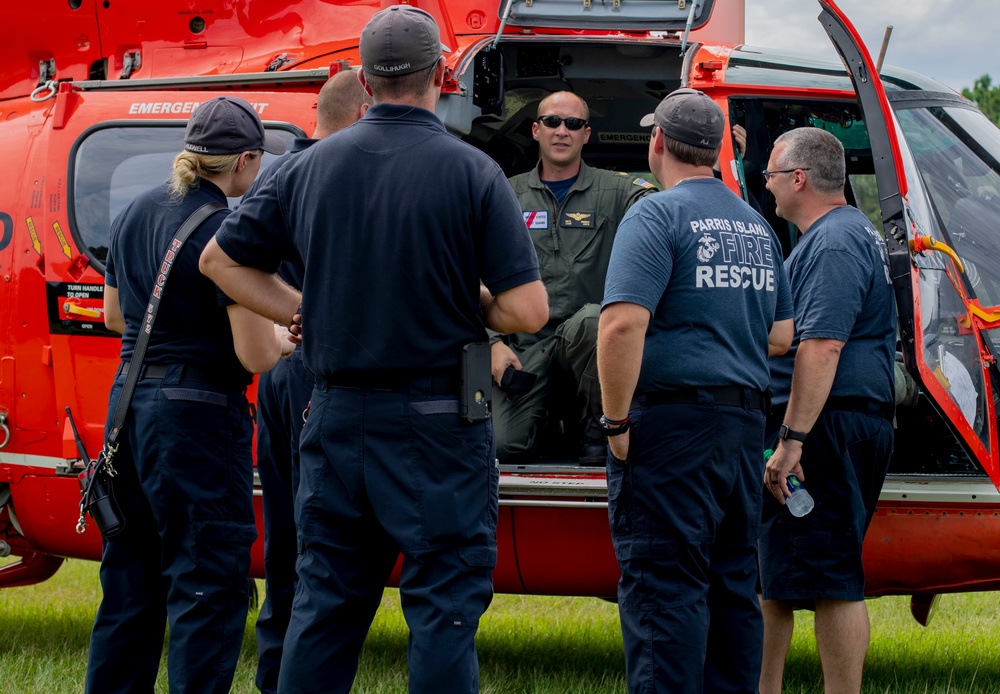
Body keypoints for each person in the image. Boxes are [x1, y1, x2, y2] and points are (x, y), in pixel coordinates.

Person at [198, 6, 548, 693]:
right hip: (441, 419)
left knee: (324, 608)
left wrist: (307, 310)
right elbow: (528, 310)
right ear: (442, 74)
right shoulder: (472, 171)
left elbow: (220, 262)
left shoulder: (305, 167)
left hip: (335, 417)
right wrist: (466, 300)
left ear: (362, 77)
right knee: (443, 611)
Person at [86, 96, 290, 693]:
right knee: (206, 584)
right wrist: (289, 338)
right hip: (197, 416)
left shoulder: (135, 211)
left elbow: (113, 315)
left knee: (130, 581)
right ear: (246, 160)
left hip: (127, 409)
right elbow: (255, 355)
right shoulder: (230, 230)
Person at [597, 88, 794, 693]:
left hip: (673, 432)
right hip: (740, 432)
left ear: (657, 142)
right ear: (716, 151)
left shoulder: (655, 214)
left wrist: (615, 424)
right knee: (734, 585)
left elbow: (622, 323)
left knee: (665, 590)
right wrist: (720, 335)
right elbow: (782, 335)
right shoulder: (755, 224)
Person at [758, 127, 896, 694]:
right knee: (778, 576)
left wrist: (792, 440)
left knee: (833, 580)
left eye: (769, 174)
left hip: (825, 429)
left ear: (798, 178)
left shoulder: (834, 241)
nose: (764, 186)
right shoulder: (847, 232)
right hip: (831, 422)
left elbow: (822, 346)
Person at [248, 68, 371, 694]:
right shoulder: (335, 173)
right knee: (316, 541)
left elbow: (240, 264)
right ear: (361, 116)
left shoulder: (277, 172)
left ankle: (277, 672)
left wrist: (280, 322)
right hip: (316, 371)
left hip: (282, 370)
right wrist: (306, 315)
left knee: (289, 540)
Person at [493, 90, 657, 464]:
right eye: (552, 122)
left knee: (593, 322)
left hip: (588, 341)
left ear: (586, 133)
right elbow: (469, 275)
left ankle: (597, 429)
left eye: (573, 124)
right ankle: (547, 424)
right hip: (525, 348)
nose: (561, 131)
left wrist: (710, 167)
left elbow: (669, 212)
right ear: (536, 130)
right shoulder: (504, 193)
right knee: (503, 445)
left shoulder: (618, 191)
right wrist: (489, 343)